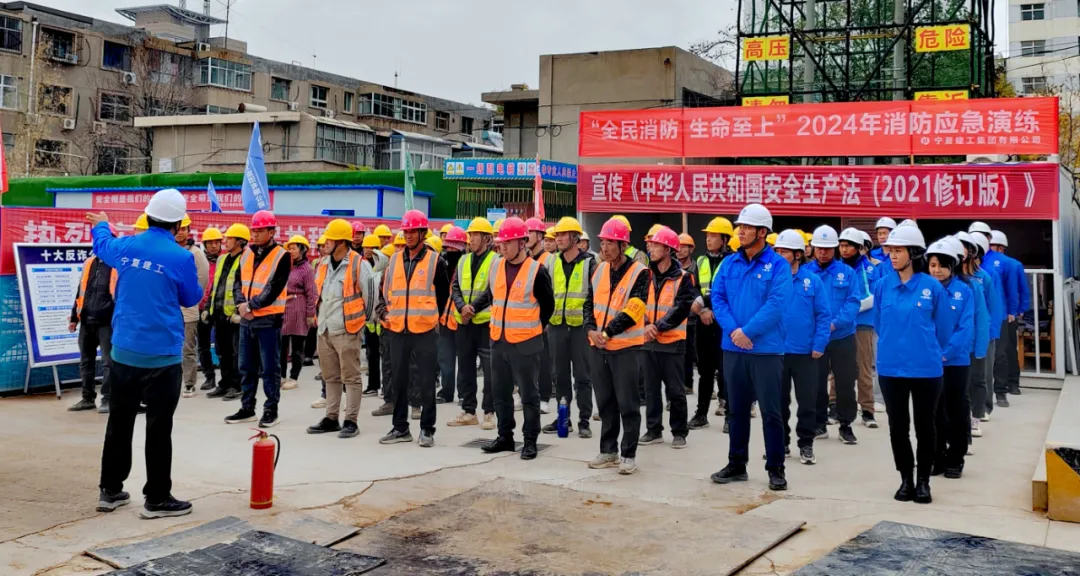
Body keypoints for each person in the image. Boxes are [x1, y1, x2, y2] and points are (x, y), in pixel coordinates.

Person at [88, 188, 202, 518]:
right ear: (178, 223)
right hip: (162, 357)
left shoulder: (127, 246)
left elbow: (103, 245)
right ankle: (157, 498)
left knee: (119, 423)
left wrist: (103, 224)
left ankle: (110, 490)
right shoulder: (180, 257)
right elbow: (190, 297)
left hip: (124, 352)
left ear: (148, 215)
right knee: (158, 426)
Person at [710, 204, 792, 492]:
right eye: (739, 226)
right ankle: (736, 463)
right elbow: (717, 298)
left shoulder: (779, 265)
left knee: (771, 411)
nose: (740, 231)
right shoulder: (729, 264)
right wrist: (734, 331)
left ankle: (776, 468)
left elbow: (777, 304)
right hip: (734, 348)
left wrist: (748, 332)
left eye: (746, 227)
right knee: (737, 410)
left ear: (762, 232)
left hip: (766, 350)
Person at [466, 218, 555, 460]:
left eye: (507, 243)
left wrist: (534, 327)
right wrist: (473, 307)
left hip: (526, 343)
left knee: (529, 395)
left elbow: (548, 306)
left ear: (522, 242)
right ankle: (505, 437)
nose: (502, 247)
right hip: (499, 340)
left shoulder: (537, 271)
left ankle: (529, 440)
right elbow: (490, 294)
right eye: (501, 243)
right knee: (500, 393)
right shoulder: (496, 266)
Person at [875, 225, 951, 505]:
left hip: (926, 369)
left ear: (913, 253)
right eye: (890, 251)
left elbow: (943, 328)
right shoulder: (883, 285)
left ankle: (923, 482)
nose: (892, 256)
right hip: (891, 368)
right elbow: (879, 325)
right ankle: (905, 478)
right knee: (898, 426)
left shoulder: (931, 286)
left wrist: (924, 348)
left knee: (925, 426)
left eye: (898, 250)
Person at [376, 210, 450, 447]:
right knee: (399, 381)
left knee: (426, 382)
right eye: (405, 231)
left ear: (422, 233)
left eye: (412, 232)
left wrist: (430, 318)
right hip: (397, 330)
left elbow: (443, 295)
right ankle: (400, 428)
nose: (408, 236)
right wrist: (384, 312)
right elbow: (384, 291)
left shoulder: (436, 261)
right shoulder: (395, 260)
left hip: (425, 331)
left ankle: (427, 429)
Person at [584, 217, 650, 475]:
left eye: (609, 242)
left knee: (628, 404)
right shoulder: (599, 269)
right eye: (602, 241)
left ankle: (628, 454)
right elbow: (589, 304)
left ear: (623, 245)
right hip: (598, 346)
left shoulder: (640, 273)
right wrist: (591, 330)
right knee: (606, 402)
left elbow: (635, 309)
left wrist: (607, 332)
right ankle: (608, 450)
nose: (604, 246)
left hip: (625, 348)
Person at [225, 210, 291, 428]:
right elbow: (237, 282)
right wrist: (241, 306)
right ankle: (247, 407)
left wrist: (251, 305)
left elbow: (275, 287)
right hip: (247, 319)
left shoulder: (282, 255)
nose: (255, 234)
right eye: (254, 230)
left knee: (270, 368)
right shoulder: (246, 253)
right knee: (246, 365)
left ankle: (271, 409)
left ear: (272, 231)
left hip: (268, 320)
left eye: (260, 230)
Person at [307, 219, 370, 439]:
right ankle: (331, 417)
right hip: (324, 329)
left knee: (350, 377)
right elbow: (320, 295)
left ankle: (351, 420)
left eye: (330, 240)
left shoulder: (359, 264)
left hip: (347, 329)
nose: (326, 243)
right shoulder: (323, 264)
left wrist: (361, 322)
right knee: (330, 376)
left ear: (342, 242)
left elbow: (370, 297)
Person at [772, 230, 830, 465]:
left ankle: (806, 444)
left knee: (807, 402)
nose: (779, 255)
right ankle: (781, 443)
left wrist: (819, 344)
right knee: (777, 403)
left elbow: (824, 315)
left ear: (797, 254)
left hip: (806, 352)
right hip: (776, 352)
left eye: (784, 251)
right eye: (777, 251)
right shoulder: (772, 280)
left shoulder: (812, 280)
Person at [639, 226, 696, 449]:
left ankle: (680, 432)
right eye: (651, 244)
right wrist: (646, 325)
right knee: (651, 389)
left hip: (672, 342)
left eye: (655, 245)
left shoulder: (684, 278)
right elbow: (637, 303)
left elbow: (682, 308)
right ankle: (653, 430)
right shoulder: (645, 275)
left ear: (668, 249)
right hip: (648, 340)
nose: (650, 248)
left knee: (675, 390)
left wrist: (658, 326)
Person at [806, 225, 862, 445]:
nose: (823, 252)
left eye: (827, 249)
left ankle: (846, 424)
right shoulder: (807, 273)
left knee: (846, 382)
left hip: (842, 337)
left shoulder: (847, 273)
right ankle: (819, 423)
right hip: (815, 338)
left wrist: (834, 324)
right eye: (819, 248)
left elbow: (853, 302)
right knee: (816, 383)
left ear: (835, 249)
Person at [926, 238, 977, 479]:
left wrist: (945, 352)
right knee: (933, 411)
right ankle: (936, 457)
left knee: (956, 409)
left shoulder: (964, 291)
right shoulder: (924, 289)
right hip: (928, 362)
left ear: (952, 267)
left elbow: (965, 327)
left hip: (955, 361)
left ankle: (956, 458)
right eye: (932, 265)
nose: (936, 271)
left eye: (941, 266)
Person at [542, 216, 595, 438]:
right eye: (557, 235)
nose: (558, 239)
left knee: (583, 376)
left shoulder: (591, 263)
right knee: (560, 375)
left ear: (575, 237)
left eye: (563, 235)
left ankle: (584, 420)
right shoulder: (551, 262)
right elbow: (544, 294)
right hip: (556, 327)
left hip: (580, 328)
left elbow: (594, 297)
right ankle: (564, 418)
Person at [447, 217, 499, 429]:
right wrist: (461, 307)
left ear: (486, 238)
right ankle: (468, 410)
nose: (471, 239)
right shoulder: (463, 260)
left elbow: (493, 290)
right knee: (466, 368)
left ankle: (489, 411)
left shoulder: (496, 261)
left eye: (475, 235)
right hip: (464, 322)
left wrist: (473, 308)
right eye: (470, 235)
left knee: (489, 369)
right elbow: (456, 288)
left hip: (485, 322)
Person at [689, 217, 734, 431]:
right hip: (703, 321)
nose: (708, 239)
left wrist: (709, 307)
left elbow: (730, 292)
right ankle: (701, 414)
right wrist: (703, 310)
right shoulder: (700, 262)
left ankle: (729, 414)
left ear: (725, 239)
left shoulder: (734, 262)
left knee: (726, 369)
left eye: (713, 235)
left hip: (724, 322)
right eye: (707, 235)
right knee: (705, 370)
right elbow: (694, 289)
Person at [68, 226, 119, 413]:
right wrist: (74, 317)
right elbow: (80, 291)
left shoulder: (118, 264)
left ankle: (108, 398)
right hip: (87, 320)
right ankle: (87, 398)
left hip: (108, 322)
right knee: (86, 360)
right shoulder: (89, 263)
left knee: (108, 362)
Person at [839, 228, 880, 428]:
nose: (844, 249)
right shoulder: (837, 268)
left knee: (864, 368)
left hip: (862, 323)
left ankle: (867, 409)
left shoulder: (871, 269)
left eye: (849, 246)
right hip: (840, 324)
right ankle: (834, 405)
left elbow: (874, 296)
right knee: (835, 368)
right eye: (842, 245)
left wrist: (851, 309)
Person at [958, 231, 998, 435]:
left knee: (978, 378)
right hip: (957, 341)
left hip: (978, 336)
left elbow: (990, 310)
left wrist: (988, 337)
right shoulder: (949, 278)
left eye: (965, 247)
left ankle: (977, 416)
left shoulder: (983, 278)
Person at [206, 224, 248, 401]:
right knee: (222, 351)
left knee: (235, 352)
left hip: (234, 315)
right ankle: (224, 383)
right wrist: (209, 307)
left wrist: (240, 310)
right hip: (219, 312)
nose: (226, 241)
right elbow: (216, 285)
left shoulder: (246, 259)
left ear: (239, 241)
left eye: (229, 238)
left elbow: (245, 287)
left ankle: (236, 385)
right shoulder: (223, 259)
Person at [989, 230, 1029, 399]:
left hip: (1007, 314)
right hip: (999, 312)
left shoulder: (1012, 264)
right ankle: (1009, 383)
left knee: (1007, 349)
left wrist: (1016, 310)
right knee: (1003, 350)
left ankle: (1012, 382)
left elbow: (1019, 289)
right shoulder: (987, 263)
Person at [177, 215, 210, 398]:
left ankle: (189, 383)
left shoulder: (195, 253)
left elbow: (203, 279)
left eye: (184, 229)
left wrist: (192, 298)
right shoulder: (168, 250)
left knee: (187, 347)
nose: (181, 232)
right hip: (168, 308)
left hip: (188, 308)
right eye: (178, 228)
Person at [280, 236, 317, 390]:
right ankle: (281, 375)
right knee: (281, 345)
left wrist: (310, 314)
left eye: (294, 248)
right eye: (289, 248)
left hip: (299, 307)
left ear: (302, 250)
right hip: (283, 307)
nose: (291, 251)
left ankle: (294, 377)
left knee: (297, 345)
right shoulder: (284, 266)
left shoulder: (307, 269)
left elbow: (312, 293)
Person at [437, 226, 467, 404]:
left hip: (463, 320)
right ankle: (446, 392)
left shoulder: (467, 266)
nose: (451, 250)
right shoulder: (443, 266)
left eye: (455, 247)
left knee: (464, 361)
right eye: (448, 247)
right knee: (445, 359)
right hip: (445, 320)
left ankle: (464, 394)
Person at [197, 227, 222, 392]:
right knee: (203, 344)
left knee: (223, 345)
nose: (214, 246)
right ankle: (209, 377)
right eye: (210, 242)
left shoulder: (225, 260)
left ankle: (226, 379)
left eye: (216, 242)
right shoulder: (199, 260)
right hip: (202, 307)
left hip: (220, 307)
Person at [677, 233, 699, 397]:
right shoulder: (673, 267)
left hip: (693, 318)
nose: (680, 250)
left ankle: (689, 383)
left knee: (691, 352)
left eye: (684, 247)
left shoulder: (696, 267)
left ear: (691, 249)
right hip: (677, 317)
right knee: (679, 353)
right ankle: (682, 384)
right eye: (678, 246)